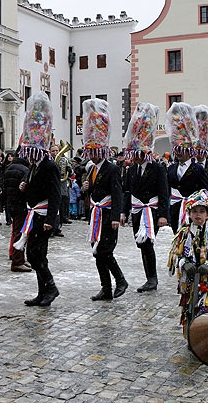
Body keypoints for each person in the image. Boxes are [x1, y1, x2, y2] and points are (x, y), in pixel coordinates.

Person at [15, 92, 61, 306]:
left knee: (37, 254)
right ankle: (43, 291)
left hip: (43, 217)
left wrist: (51, 220)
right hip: (33, 215)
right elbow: (32, 187)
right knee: (34, 254)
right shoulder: (34, 166)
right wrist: (25, 186)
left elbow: (54, 194)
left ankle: (50, 288)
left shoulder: (50, 165)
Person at [167, 190, 208, 336]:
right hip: (190, 280)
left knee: (206, 306)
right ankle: (191, 334)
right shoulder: (184, 233)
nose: (198, 215)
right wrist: (183, 263)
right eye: (195, 211)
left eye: (202, 211)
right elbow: (175, 252)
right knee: (189, 307)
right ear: (189, 214)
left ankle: (205, 335)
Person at [81, 98, 126, 301]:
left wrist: (116, 216)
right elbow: (93, 192)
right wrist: (86, 189)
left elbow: (117, 193)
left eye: (93, 151)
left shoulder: (112, 168)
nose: (90, 155)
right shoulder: (91, 169)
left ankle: (121, 280)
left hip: (108, 215)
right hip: (96, 214)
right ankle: (106, 288)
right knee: (97, 252)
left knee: (105, 251)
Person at [121, 103, 169, 293]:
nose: (136, 159)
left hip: (152, 210)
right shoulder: (131, 169)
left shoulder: (157, 168)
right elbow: (127, 192)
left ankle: (152, 279)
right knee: (141, 244)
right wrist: (124, 212)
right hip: (137, 210)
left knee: (148, 243)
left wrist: (163, 215)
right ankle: (150, 276)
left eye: (139, 155)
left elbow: (164, 192)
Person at [165, 102, 208, 232]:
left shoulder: (198, 168)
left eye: (181, 150)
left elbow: (204, 190)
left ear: (189, 151)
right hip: (175, 209)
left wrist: (203, 211)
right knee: (178, 237)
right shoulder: (172, 168)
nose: (178, 153)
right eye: (176, 150)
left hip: (193, 211)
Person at [3, 152, 30, 272]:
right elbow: (25, 188)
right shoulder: (24, 169)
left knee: (16, 231)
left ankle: (19, 258)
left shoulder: (9, 168)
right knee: (20, 233)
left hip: (11, 204)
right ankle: (17, 261)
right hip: (21, 205)